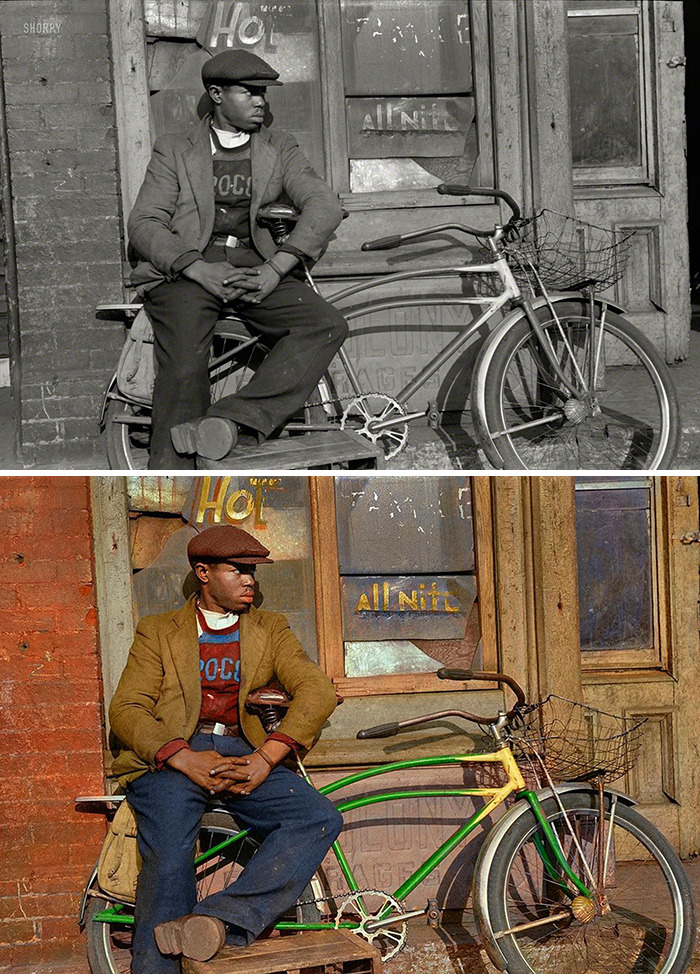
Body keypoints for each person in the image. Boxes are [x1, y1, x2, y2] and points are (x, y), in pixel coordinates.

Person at [109, 524, 342, 972]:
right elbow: (128, 707)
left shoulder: (269, 629)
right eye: (238, 571)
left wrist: (267, 757)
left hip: (245, 750)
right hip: (175, 754)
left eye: (253, 571)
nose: (250, 580)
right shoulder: (158, 631)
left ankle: (218, 921)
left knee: (317, 818)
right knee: (171, 854)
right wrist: (182, 756)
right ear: (203, 572)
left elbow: (316, 689)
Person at [127, 49, 349, 469]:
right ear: (216, 94)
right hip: (187, 275)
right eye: (250, 93)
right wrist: (196, 267)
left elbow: (324, 205)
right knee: (185, 361)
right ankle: (172, 475)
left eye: (263, 92)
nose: (261, 101)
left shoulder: (279, 147)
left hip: (257, 270)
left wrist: (276, 268)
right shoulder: (175, 149)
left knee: (324, 325)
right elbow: (144, 222)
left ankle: (231, 422)